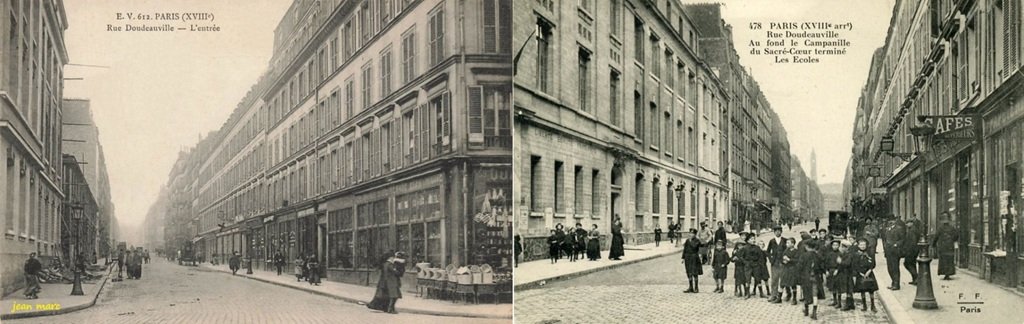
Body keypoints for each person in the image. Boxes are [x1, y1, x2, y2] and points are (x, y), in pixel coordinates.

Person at [798, 239, 825, 320]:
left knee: (806, 293)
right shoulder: (818, 255)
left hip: (806, 277)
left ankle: (806, 310)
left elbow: (799, 267)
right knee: (815, 295)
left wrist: (799, 276)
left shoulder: (804, 255)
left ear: (807, 246)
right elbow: (822, 266)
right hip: (816, 277)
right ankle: (814, 313)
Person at [852, 238, 878, 312]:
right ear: (858, 246)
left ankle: (873, 305)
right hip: (860, 274)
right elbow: (855, 265)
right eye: (861, 245)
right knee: (862, 290)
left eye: (864, 245)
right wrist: (860, 273)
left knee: (871, 290)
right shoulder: (856, 254)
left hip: (869, 273)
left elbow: (873, 263)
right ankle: (864, 305)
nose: (863, 246)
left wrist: (869, 271)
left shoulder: (870, 253)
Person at [883, 216, 905, 290]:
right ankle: (893, 282)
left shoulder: (899, 228)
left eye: (892, 221)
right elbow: (885, 239)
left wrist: (896, 244)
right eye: (889, 221)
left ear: (895, 221)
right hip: (888, 251)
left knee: (895, 268)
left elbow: (903, 239)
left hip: (895, 251)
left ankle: (896, 284)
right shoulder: (887, 229)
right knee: (889, 268)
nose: (890, 222)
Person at [766, 226, 786, 303]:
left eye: (779, 231)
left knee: (784, 279)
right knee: (774, 279)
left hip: (783, 263)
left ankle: (787, 294)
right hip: (775, 263)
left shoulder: (785, 240)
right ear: (774, 232)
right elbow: (767, 252)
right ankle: (773, 295)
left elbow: (787, 250)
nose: (778, 232)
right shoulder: (772, 241)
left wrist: (785, 258)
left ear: (781, 232)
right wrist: (771, 260)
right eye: (776, 231)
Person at [681, 228, 703, 293]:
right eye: (690, 233)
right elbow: (685, 249)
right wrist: (683, 258)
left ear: (695, 234)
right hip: (688, 258)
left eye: (692, 233)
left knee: (694, 272)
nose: (691, 234)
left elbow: (694, 247)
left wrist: (690, 241)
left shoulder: (697, 241)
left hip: (694, 258)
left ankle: (696, 288)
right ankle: (690, 287)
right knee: (689, 272)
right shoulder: (687, 241)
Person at [781, 237, 800, 305]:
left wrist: (789, 260)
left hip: (793, 269)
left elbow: (797, 260)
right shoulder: (786, 250)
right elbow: (783, 256)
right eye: (786, 243)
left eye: (788, 243)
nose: (787, 244)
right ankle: (788, 294)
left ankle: (794, 298)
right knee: (786, 282)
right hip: (786, 268)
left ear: (793, 244)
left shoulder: (796, 251)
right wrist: (784, 261)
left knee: (793, 284)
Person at [903, 218, 921, 285]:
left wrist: (908, 250)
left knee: (907, 264)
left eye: (907, 223)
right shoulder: (914, 229)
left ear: (911, 223)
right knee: (912, 264)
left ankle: (916, 277)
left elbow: (912, 242)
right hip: (914, 250)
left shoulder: (912, 231)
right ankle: (915, 279)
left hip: (911, 250)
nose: (906, 225)